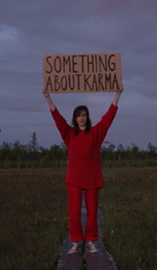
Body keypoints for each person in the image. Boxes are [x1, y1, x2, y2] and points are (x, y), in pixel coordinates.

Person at [43, 84, 123, 254]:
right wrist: (47, 97)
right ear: (75, 118)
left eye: (84, 115)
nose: (81, 118)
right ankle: (75, 241)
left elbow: (109, 117)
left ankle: (92, 241)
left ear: (87, 117)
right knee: (73, 212)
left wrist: (117, 94)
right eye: (78, 116)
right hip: (74, 179)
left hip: (92, 179)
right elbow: (57, 119)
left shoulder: (96, 133)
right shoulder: (69, 134)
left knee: (92, 212)